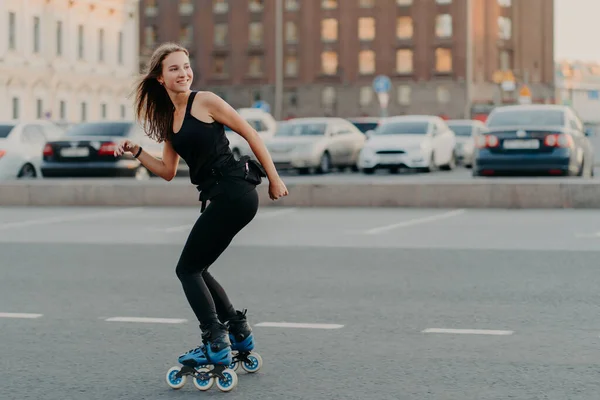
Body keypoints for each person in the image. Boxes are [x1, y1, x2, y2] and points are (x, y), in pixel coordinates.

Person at [113, 42, 289, 371]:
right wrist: (137, 151)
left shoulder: (205, 101)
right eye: (175, 68)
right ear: (161, 78)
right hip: (221, 196)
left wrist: (275, 179)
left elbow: (251, 133)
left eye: (186, 66)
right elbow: (167, 171)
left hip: (235, 191)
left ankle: (215, 341)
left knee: (187, 270)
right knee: (198, 268)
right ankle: (237, 332)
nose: (184, 73)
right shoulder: (168, 119)